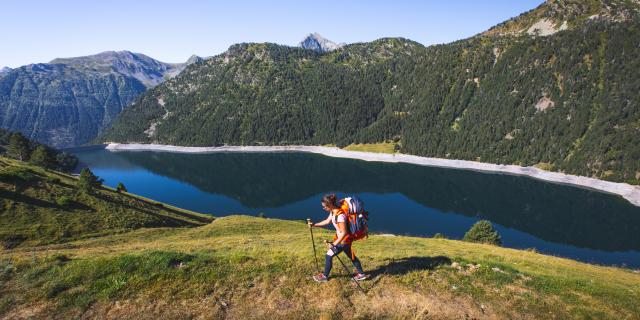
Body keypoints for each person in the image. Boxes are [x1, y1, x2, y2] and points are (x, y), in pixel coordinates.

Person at [308, 194, 368, 282]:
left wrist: (334, 244)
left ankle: (325, 276)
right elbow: (327, 221)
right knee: (351, 256)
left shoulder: (340, 216)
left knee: (328, 255)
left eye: (324, 207)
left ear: (330, 205)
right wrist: (314, 225)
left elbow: (344, 232)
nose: (323, 208)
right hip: (344, 240)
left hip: (343, 240)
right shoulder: (333, 212)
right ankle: (361, 274)